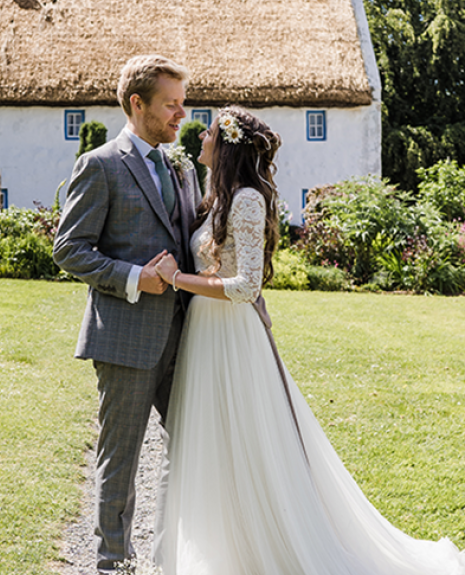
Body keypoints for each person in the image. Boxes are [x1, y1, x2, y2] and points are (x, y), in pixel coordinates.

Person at [151, 105, 465, 575]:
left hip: (232, 337)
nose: (201, 139)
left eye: (210, 132)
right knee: (213, 443)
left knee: (248, 441)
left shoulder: (247, 201)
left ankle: (266, 544)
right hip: (204, 333)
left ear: (229, 143)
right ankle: (224, 549)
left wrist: (178, 280)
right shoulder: (217, 198)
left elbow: (245, 286)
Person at [53, 54, 202, 573]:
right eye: (171, 105)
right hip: (124, 336)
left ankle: (174, 550)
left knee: (194, 444)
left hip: (187, 336)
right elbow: (69, 249)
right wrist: (137, 277)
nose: (181, 115)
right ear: (137, 104)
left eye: (183, 104)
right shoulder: (100, 165)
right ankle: (113, 561)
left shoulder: (181, 167)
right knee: (122, 456)